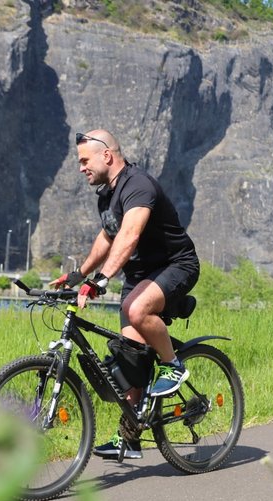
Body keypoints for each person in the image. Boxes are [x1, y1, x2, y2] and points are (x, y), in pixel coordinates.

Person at [52, 129, 200, 460]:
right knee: (131, 359)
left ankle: (172, 365)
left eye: (84, 160)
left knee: (136, 310)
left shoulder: (138, 185)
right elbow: (108, 237)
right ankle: (130, 438)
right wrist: (81, 274)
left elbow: (130, 235)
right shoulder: (107, 195)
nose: (81, 168)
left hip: (175, 266)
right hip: (139, 276)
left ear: (106, 155)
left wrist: (102, 279)